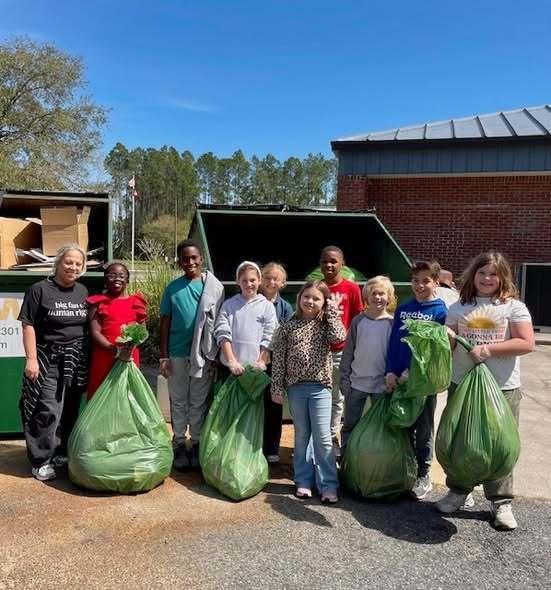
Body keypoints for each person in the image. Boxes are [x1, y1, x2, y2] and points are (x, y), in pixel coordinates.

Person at [436, 251, 535, 531]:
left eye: (493, 274)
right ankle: (458, 490)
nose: (487, 278)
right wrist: (443, 338)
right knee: (460, 441)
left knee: (500, 446)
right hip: (463, 384)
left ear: (502, 277)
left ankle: (500, 501)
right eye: (482, 273)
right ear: (473, 275)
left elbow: (526, 343)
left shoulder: (513, 307)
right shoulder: (459, 307)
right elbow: (450, 345)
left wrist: (488, 349)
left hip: (502, 388)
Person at [18, 243, 89, 481]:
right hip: (48, 358)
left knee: (69, 409)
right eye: (68, 262)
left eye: (78, 263)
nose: (73, 267)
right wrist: (31, 359)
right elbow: (27, 324)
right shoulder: (39, 289)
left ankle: (60, 451)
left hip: (75, 359)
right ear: (58, 263)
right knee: (47, 408)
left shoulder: (82, 291)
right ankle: (41, 460)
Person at [271, 281, 346, 503]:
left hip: (320, 387)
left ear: (324, 302)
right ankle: (303, 481)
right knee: (302, 435)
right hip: (296, 387)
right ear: (299, 298)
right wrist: (277, 387)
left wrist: (332, 312)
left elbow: (339, 337)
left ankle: (328, 484)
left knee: (323, 437)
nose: (310, 302)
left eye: (316, 298)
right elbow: (278, 360)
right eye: (307, 297)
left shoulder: (325, 324)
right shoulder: (287, 326)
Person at [385, 260, 448, 500]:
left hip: (422, 382)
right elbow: (394, 342)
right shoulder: (403, 308)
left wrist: (415, 371)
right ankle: (406, 470)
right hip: (397, 378)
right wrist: (390, 370)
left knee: (423, 429)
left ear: (436, 282)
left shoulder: (441, 312)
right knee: (402, 424)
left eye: (426, 281)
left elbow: (437, 351)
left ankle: (423, 474)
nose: (420, 285)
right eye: (415, 281)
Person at [160, 240, 224, 472]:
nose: (190, 262)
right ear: (179, 261)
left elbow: (219, 322)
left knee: (198, 400)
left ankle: (196, 443)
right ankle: (179, 442)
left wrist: (215, 355)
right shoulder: (172, 288)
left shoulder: (213, 288)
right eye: (185, 259)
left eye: (194, 257)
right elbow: (165, 322)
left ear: (201, 259)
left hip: (204, 354)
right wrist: (163, 355)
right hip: (177, 352)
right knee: (178, 399)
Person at [339, 276, 395, 450]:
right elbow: (348, 352)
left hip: (382, 385)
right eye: (374, 294)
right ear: (367, 297)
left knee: (380, 424)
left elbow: (395, 354)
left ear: (389, 297)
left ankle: (375, 456)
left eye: (382, 294)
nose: (378, 297)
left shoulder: (392, 323)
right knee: (350, 423)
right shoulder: (358, 321)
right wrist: (344, 379)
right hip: (357, 383)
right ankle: (348, 455)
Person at [319, 245, 363, 457]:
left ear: (342, 263)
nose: (329, 264)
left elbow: (357, 319)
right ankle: (317, 437)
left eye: (334, 261)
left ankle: (331, 436)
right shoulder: (316, 287)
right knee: (319, 395)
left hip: (340, 351)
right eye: (325, 261)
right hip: (317, 352)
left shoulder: (351, 289)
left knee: (337, 396)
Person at [86, 262, 147, 398]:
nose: (117, 279)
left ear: (128, 280)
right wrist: (117, 351)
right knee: (101, 395)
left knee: (127, 395)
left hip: (129, 357)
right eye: (112, 275)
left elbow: (142, 331)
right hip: (105, 355)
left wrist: (129, 349)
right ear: (105, 280)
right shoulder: (98, 303)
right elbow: (95, 333)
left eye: (121, 275)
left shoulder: (136, 302)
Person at [214, 260, 277, 376]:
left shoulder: (267, 306)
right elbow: (222, 333)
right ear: (238, 281)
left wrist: (261, 361)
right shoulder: (228, 305)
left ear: (259, 281)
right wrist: (231, 361)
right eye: (244, 280)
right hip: (230, 369)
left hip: (257, 370)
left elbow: (270, 336)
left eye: (252, 280)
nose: (249, 284)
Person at [260, 262, 293, 464]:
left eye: (276, 278)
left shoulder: (285, 308)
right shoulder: (253, 301)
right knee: (255, 406)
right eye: (268, 277)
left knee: (273, 406)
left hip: (275, 365)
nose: (271, 282)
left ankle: (272, 449)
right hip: (254, 362)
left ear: (283, 283)